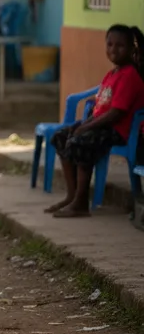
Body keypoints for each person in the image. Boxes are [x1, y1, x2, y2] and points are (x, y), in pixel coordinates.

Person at [48, 24, 144, 217]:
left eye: (120, 46)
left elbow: (116, 113)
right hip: (103, 125)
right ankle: (72, 195)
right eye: (109, 44)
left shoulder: (130, 75)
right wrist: (84, 123)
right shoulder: (112, 73)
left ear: (132, 49)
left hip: (119, 130)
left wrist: (86, 127)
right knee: (60, 136)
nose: (113, 49)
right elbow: (103, 105)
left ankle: (81, 202)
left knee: (82, 142)